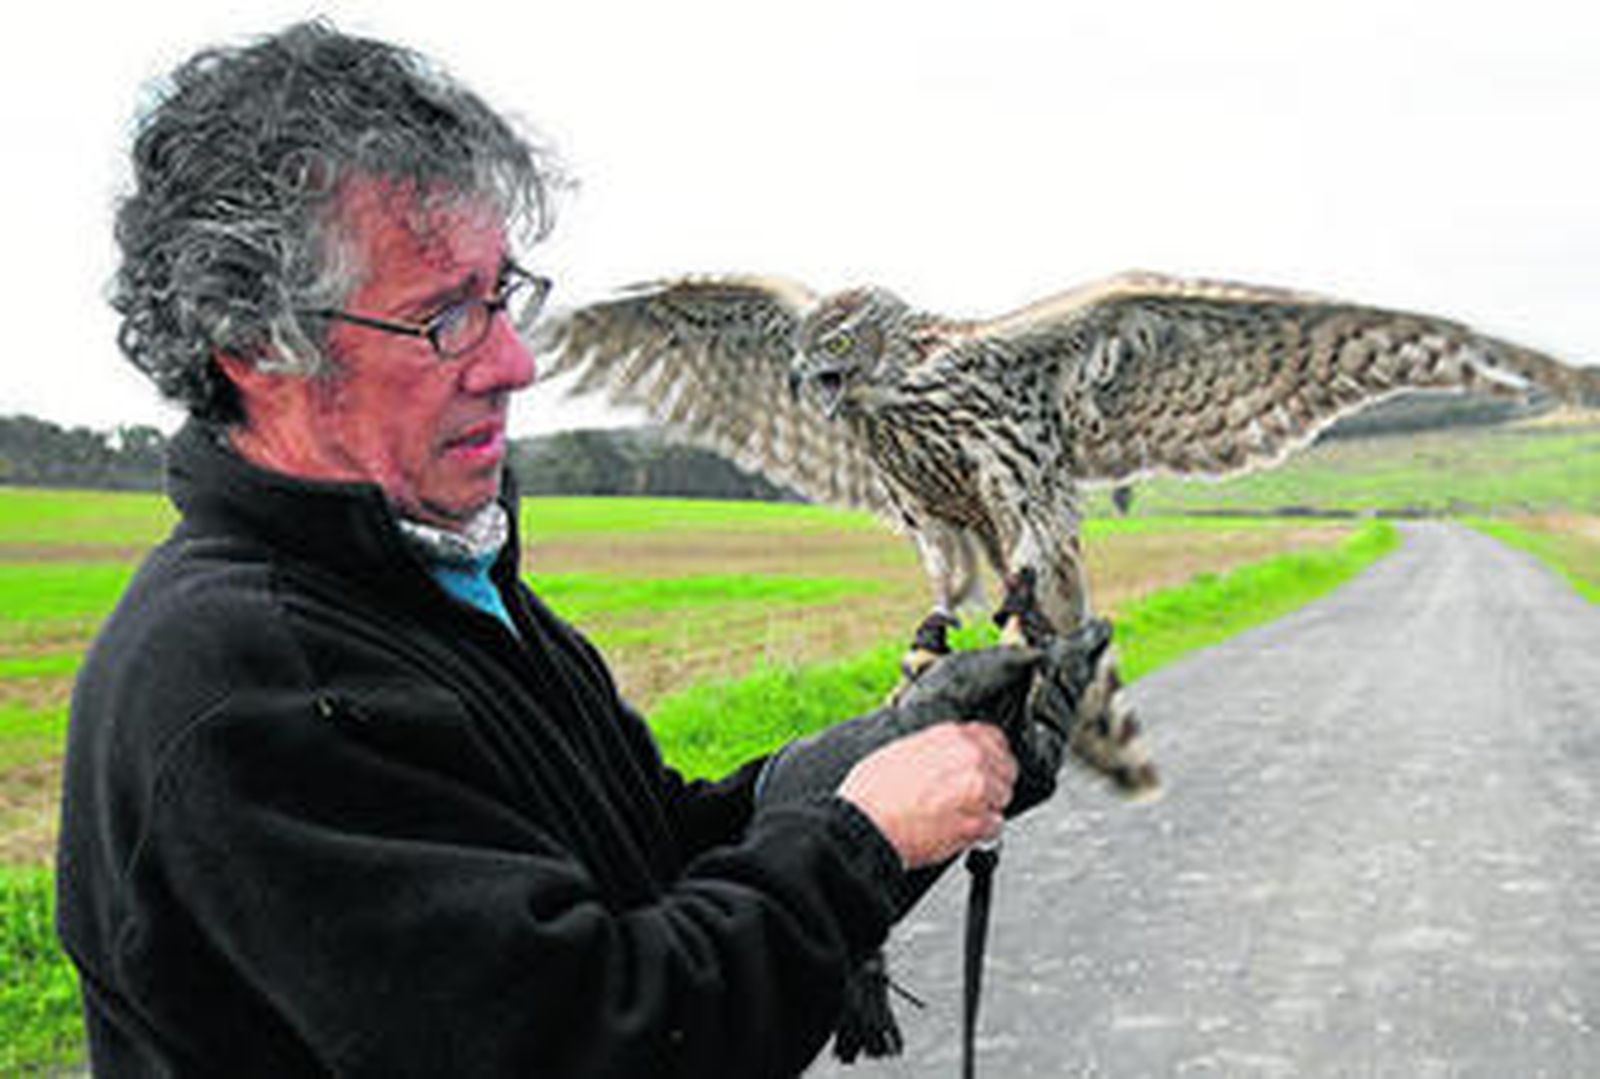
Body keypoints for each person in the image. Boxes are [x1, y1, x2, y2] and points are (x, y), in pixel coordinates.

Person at [57, 21, 1097, 1077]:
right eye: (443, 317)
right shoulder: (248, 682)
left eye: (502, 293)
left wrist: (888, 755)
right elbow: (592, 1035)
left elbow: (651, 862)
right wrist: (860, 840)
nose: (513, 360)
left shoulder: (438, 593)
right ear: (260, 346)